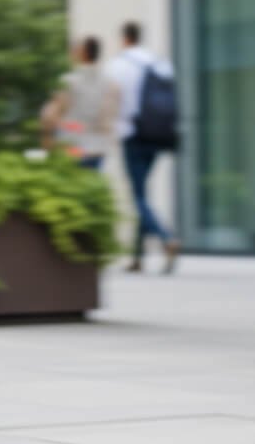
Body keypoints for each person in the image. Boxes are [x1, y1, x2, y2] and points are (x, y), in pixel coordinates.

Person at [108, 21, 181, 273]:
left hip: (133, 134)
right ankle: (137, 258)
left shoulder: (119, 65)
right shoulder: (160, 62)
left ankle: (166, 238)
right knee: (143, 194)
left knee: (138, 196)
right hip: (158, 136)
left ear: (125, 38)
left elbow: (113, 102)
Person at [43, 36, 120, 171]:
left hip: (72, 149)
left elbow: (50, 115)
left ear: (83, 53)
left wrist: (50, 140)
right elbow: (109, 118)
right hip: (97, 149)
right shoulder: (110, 84)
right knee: (90, 186)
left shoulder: (68, 82)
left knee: (71, 187)